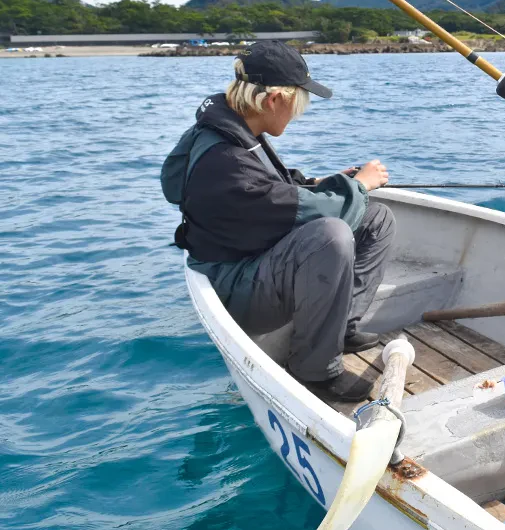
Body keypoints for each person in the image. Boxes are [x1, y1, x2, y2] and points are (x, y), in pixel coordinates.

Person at [161, 42, 396, 402]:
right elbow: (321, 213)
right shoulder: (227, 162)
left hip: (252, 253)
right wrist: (360, 184)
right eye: (299, 102)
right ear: (273, 101)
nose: (299, 113)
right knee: (332, 235)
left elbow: (270, 186)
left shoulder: (228, 129)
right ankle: (315, 369)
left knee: (376, 218)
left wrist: (323, 183)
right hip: (234, 285)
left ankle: (341, 327)